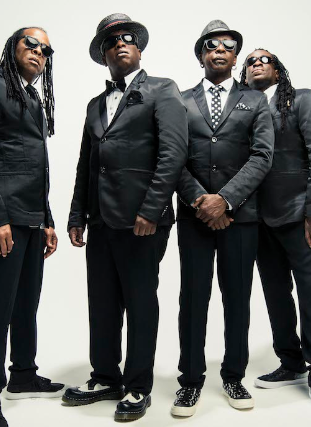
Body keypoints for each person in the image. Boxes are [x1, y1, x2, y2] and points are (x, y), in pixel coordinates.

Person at [62, 13, 188, 422]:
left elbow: (173, 154)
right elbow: (86, 163)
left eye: (128, 37)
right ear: (103, 55)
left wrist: (151, 210)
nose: (120, 43)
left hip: (142, 221)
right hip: (100, 219)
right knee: (101, 302)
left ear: (139, 49)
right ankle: (104, 377)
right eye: (111, 40)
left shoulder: (162, 90)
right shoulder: (95, 105)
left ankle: (137, 386)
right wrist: (77, 214)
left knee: (139, 302)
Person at [0, 27, 64, 427]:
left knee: (26, 303)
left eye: (46, 49)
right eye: (30, 44)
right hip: (5, 218)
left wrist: (47, 219)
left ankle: (23, 374)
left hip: (32, 218)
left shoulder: (32, 98)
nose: (39, 52)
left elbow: (35, 166)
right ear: (12, 48)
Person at [170, 21, 274, 417]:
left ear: (235, 57)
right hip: (195, 218)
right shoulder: (180, 100)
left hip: (240, 219)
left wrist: (226, 201)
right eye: (211, 45)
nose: (219, 50)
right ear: (201, 55)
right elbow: (172, 157)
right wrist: (202, 201)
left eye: (228, 45)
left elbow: (262, 156)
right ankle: (190, 380)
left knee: (237, 299)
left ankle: (233, 375)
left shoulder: (255, 101)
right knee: (193, 299)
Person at [241, 48, 311, 415]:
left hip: (300, 218)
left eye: (264, 59)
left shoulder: (300, 100)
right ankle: (291, 362)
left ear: (278, 69)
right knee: (275, 294)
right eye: (250, 61)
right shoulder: (243, 109)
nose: (257, 63)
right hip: (258, 220)